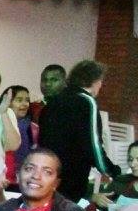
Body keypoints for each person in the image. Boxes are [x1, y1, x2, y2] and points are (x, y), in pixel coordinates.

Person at [37, 59, 121, 202]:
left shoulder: (53, 102)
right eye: (100, 81)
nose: (100, 86)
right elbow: (94, 146)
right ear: (94, 81)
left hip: (46, 174)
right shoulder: (87, 102)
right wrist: (113, 171)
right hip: (71, 180)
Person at [3, 84, 37, 173]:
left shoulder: (32, 127)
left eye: (27, 100)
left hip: (24, 175)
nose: (25, 104)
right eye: (19, 100)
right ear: (7, 102)